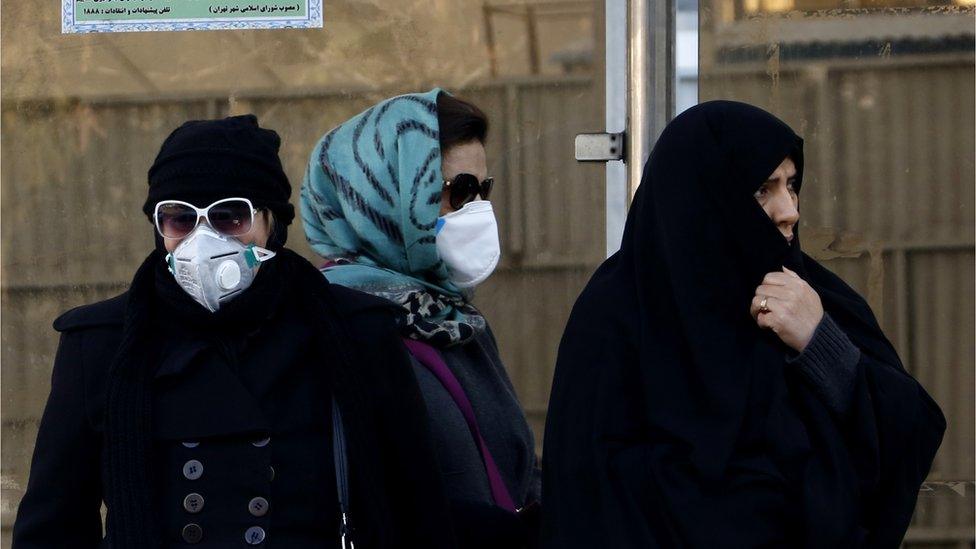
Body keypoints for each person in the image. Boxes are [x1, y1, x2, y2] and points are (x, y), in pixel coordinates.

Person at [12, 115, 457, 548]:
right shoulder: (101, 344)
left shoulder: (353, 333)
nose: (202, 238)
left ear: (271, 225)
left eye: (230, 216)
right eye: (179, 219)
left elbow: (416, 510)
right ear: (159, 229)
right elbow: (54, 527)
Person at [541, 101, 945, 548]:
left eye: (792, 186)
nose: (788, 210)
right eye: (763, 190)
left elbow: (911, 428)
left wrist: (820, 343)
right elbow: (588, 489)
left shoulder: (810, 292)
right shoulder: (618, 313)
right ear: (706, 195)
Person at [301, 89, 541, 549]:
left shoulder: (453, 321)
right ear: (385, 195)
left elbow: (517, 468)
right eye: (461, 191)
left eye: (483, 190)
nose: (478, 210)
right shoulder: (332, 326)